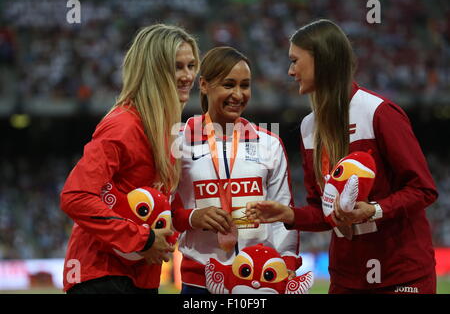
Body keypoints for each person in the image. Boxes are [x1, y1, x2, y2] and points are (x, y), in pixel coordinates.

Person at [246, 19, 438, 294]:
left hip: (401, 273)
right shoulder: (308, 127)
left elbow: (423, 189)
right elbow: (323, 212)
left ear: (322, 60)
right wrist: (288, 214)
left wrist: (374, 210)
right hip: (347, 277)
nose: (290, 71)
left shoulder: (379, 113)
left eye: (295, 61)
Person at [60, 24, 200, 294]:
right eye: (177, 67)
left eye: (191, 66)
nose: (188, 76)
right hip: (102, 275)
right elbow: (75, 196)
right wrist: (143, 240)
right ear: (154, 71)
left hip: (140, 276)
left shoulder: (167, 132)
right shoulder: (124, 125)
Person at [171, 46, 300, 294]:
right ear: (205, 85)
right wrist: (191, 217)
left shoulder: (269, 143)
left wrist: (286, 262)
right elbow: (162, 209)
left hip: (258, 279)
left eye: (245, 85)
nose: (238, 95)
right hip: (200, 281)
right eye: (229, 85)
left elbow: (284, 213)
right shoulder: (180, 141)